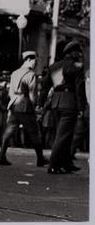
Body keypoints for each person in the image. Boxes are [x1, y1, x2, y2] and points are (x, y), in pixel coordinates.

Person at [40, 41, 87, 174]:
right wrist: (81, 108)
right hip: (69, 103)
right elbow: (79, 88)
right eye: (78, 52)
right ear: (72, 53)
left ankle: (66, 163)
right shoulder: (77, 66)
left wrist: (41, 102)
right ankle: (53, 164)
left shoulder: (54, 66)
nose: (79, 54)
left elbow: (44, 86)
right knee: (63, 136)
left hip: (56, 103)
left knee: (64, 134)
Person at [0, 51, 49, 167]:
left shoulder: (15, 73)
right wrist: (34, 108)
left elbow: (10, 92)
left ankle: (2, 156)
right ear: (29, 60)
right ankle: (40, 159)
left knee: (9, 131)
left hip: (15, 104)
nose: (36, 63)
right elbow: (32, 95)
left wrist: (13, 101)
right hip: (25, 106)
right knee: (35, 132)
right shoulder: (31, 75)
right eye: (35, 60)